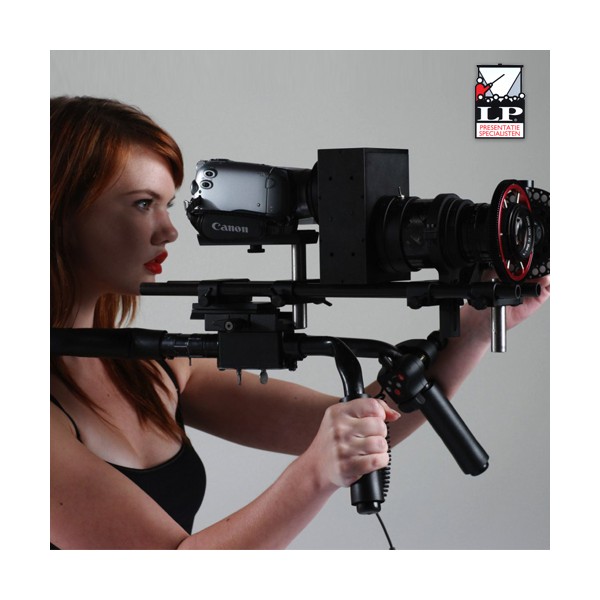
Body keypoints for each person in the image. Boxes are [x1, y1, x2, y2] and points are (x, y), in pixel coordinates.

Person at [50, 96, 550, 550]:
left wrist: (475, 328)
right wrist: (313, 475)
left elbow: (365, 426)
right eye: (142, 204)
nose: (169, 230)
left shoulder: (158, 368)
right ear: (59, 213)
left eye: (169, 205)